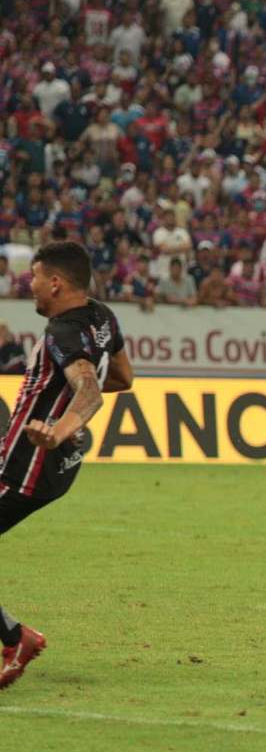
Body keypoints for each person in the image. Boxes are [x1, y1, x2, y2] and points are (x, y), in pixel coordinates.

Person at [0, 241, 134, 690]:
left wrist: (57, 429)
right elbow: (122, 377)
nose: (29, 285)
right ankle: (15, 638)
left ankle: (17, 638)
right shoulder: (102, 316)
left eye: (34, 277)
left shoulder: (60, 334)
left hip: (26, 465)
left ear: (55, 283)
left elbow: (92, 391)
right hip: (48, 465)